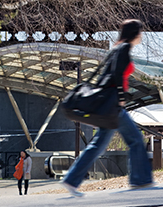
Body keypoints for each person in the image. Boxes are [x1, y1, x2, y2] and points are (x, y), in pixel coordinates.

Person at [61, 19, 154, 197]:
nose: (142, 35)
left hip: (108, 104)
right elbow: (117, 75)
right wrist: (120, 98)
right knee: (135, 139)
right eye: (140, 32)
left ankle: (72, 180)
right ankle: (140, 180)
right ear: (134, 33)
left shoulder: (117, 49)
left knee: (97, 145)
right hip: (114, 105)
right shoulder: (124, 49)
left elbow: (105, 76)